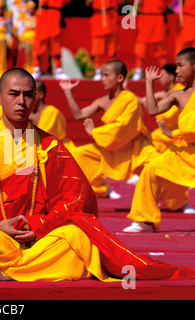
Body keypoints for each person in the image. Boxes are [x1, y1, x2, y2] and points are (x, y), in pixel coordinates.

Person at [0, 67, 195, 282]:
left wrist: (38, 227)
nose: (21, 102)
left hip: (39, 236)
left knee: (78, 238)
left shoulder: (50, 146)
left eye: (28, 95)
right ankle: (24, 268)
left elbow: (77, 199)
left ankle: (4, 271)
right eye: (13, 94)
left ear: (36, 98)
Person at [59, 60, 159, 199]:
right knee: (79, 155)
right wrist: (68, 92)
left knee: (157, 168)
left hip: (134, 148)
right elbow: (79, 115)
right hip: (110, 148)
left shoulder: (131, 100)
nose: (103, 79)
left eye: (106, 75)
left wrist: (93, 132)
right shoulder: (102, 101)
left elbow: (122, 128)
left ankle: (177, 202)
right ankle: (101, 189)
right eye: (103, 75)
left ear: (119, 78)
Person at [124, 48, 195, 233]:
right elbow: (153, 110)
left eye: (181, 66)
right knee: (150, 171)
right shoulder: (178, 95)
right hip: (184, 151)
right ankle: (146, 221)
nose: (177, 70)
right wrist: (149, 83)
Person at [139, 64, 186, 153]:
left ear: (172, 76)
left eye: (162, 75)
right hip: (162, 134)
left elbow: (170, 117)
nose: (159, 77)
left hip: (178, 135)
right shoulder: (162, 94)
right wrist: (124, 89)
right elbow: (142, 101)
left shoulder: (182, 91)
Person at [30, 80, 75, 151]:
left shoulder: (52, 112)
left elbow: (43, 137)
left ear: (40, 95)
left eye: (30, 94)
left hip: (57, 149)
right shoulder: (28, 112)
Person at [132, 0, 171, 80]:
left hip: (158, 18)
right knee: (141, 46)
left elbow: (168, 3)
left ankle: (164, 70)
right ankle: (138, 70)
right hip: (145, 18)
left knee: (161, 47)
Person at [34, 0, 71, 79]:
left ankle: (59, 69)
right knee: (40, 44)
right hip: (43, 14)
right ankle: (37, 68)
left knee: (55, 45)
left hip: (54, 14)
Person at [85, 0, 119, 80]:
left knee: (111, 47)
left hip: (111, 17)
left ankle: (112, 71)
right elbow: (87, 3)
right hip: (98, 17)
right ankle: (97, 70)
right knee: (97, 47)